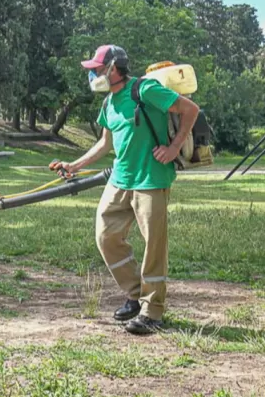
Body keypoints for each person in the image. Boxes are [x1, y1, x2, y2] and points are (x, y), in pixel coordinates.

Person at [51, 45, 200, 335]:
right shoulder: (108, 103)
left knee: (154, 247)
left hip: (151, 179)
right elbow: (105, 144)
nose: (93, 74)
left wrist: (173, 148)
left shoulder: (144, 90)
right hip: (120, 178)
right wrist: (75, 165)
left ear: (114, 67)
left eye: (96, 69)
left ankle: (152, 311)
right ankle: (135, 293)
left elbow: (190, 110)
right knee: (106, 236)